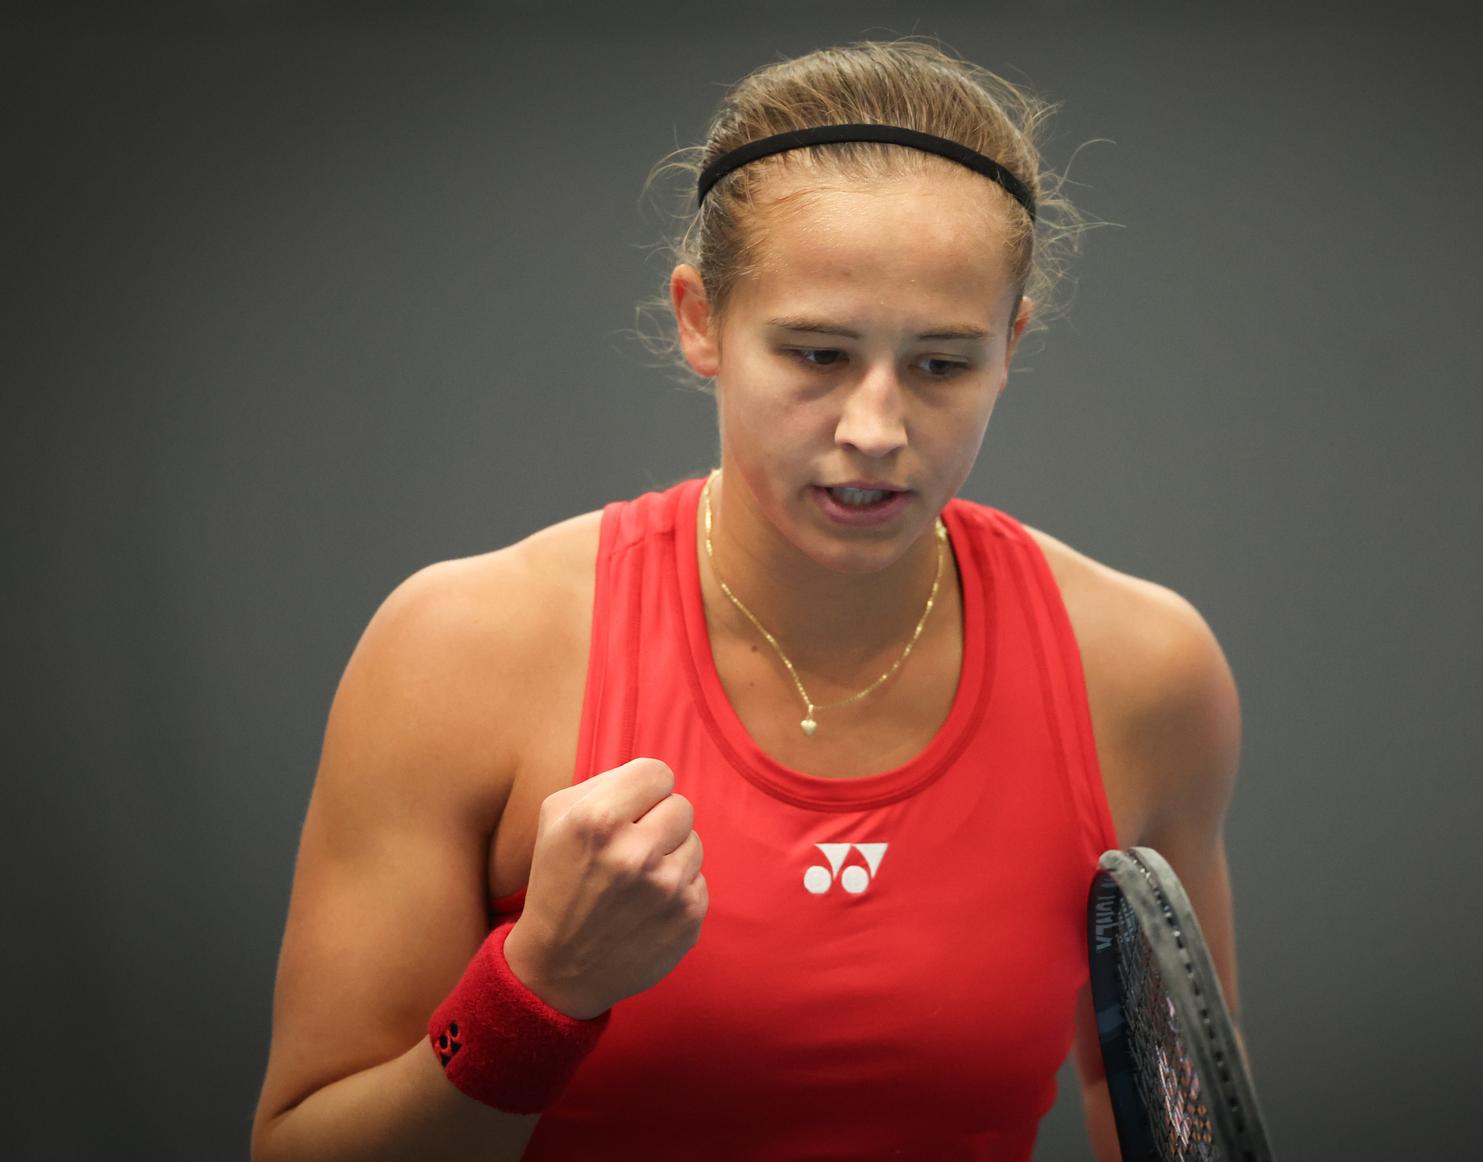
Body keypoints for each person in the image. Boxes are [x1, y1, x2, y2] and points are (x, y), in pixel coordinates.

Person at [251, 39, 1245, 1162]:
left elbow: (1167, 1118)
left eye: (942, 364)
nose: (875, 428)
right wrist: (539, 988)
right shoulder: (461, 652)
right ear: (700, 320)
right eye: (818, 353)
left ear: (1011, 345)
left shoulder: (1146, 671)